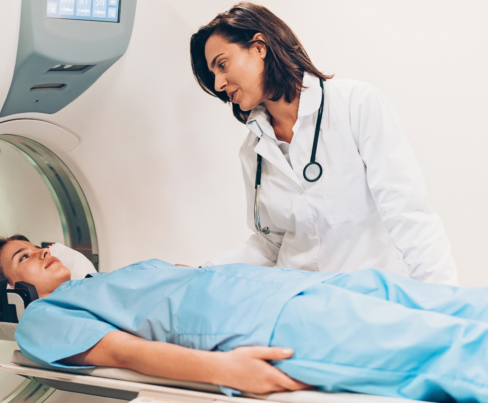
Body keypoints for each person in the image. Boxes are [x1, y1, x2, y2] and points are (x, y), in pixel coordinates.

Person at [0, 235, 488, 402]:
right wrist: (225, 372)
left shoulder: (104, 280)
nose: (43, 253)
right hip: (262, 325)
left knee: (462, 304)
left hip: (287, 285)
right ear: (15, 289)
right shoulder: (43, 318)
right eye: (24, 259)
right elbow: (122, 354)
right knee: (448, 348)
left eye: (38, 246)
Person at [189, 2, 457, 285]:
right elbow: (271, 244)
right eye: (213, 74)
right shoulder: (252, 150)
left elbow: (406, 211)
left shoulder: (356, 105)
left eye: (222, 64)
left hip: (371, 299)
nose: (218, 83)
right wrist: (204, 272)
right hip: (301, 304)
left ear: (259, 47)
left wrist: (441, 300)